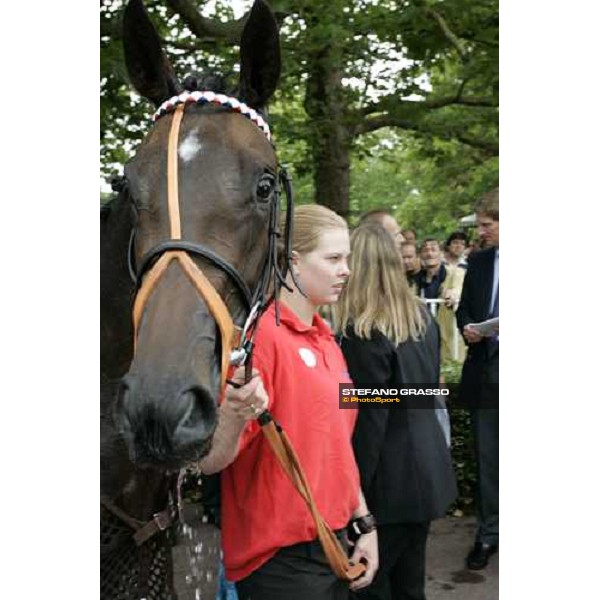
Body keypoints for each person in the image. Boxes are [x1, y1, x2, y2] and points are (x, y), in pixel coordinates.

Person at [199, 205, 379, 600]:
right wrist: (231, 412)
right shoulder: (259, 339)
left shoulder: (325, 336)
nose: (346, 270)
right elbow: (210, 460)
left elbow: (337, 446)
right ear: (291, 263)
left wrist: (363, 522)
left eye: (346, 258)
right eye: (333, 258)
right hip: (279, 560)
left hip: (333, 545)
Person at [335, 223, 457, 600]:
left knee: (371, 586)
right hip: (428, 469)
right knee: (410, 585)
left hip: (387, 483)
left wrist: (352, 497)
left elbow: (372, 415)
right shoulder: (422, 318)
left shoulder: (363, 330)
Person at [456, 188, 499, 570]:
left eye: (487, 224)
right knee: (488, 461)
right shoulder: (480, 261)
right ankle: (487, 535)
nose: (481, 231)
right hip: (485, 373)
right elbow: (466, 308)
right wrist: (468, 327)